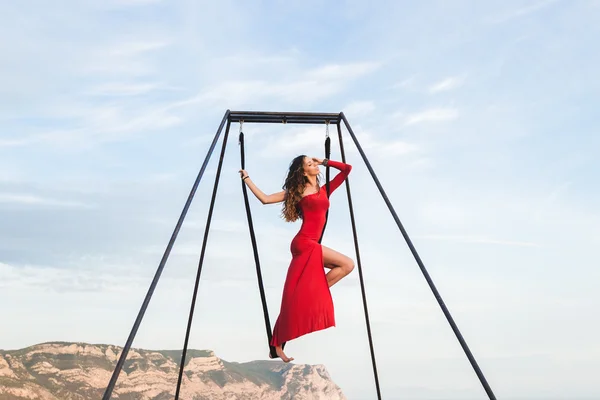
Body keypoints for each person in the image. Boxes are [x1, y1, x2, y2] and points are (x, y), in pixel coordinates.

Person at [239, 155, 354, 363]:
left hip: (312, 245)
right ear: (303, 172)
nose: (314, 165)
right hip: (304, 244)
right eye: (310, 164)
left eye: (313, 162)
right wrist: (247, 179)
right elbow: (265, 199)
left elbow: (347, 169)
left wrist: (325, 162)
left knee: (300, 295)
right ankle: (277, 342)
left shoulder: (325, 190)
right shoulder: (298, 192)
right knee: (347, 264)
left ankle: (277, 345)